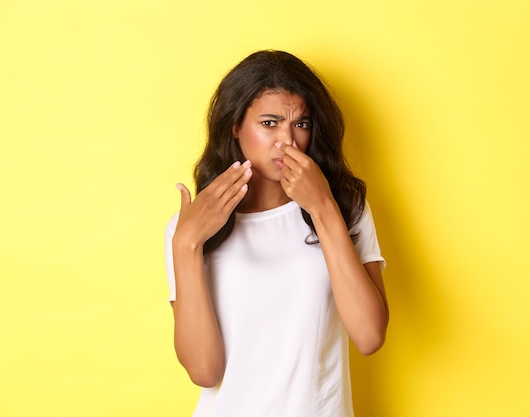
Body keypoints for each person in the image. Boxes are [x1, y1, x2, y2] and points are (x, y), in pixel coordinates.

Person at [164, 49, 389, 417]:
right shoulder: (190, 229)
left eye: (300, 124)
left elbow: (369, 336)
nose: (287, 141)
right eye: (269, 123)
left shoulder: (345, 208)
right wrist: (186, 244)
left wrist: (322, 208)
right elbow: (204, 371)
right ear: (235, 126)